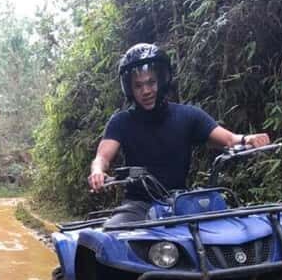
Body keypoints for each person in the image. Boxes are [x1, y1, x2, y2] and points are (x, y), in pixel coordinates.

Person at [88, 42, 270, 226]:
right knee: (113, 232)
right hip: (139, 204)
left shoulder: (188, 115)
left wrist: (248, 139)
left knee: (227, 227)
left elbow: (229, 139)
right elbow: (102, 157)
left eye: (151, 82)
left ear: (161, 80)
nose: (146, 91)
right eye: (138, 85)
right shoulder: (121, 122)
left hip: (181, 201)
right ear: (130, 89)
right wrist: (98, 171)